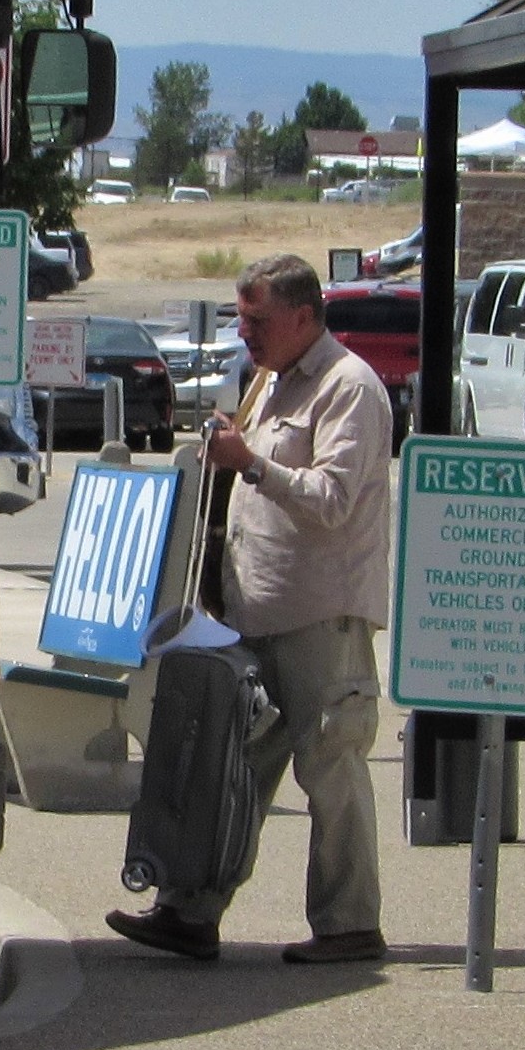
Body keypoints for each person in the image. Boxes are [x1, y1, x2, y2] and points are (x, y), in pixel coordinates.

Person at [106, 252, 394, 965]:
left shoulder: (348, 388)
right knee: (226, 767)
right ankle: (189, 911)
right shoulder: (269, 379)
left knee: (331, 769)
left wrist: (253, 462)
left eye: (258, 319)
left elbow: (332, 499)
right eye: (240, 317)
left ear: (303, 315)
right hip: (251, 618)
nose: (245, 333)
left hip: (318, 622)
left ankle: (350, 924)